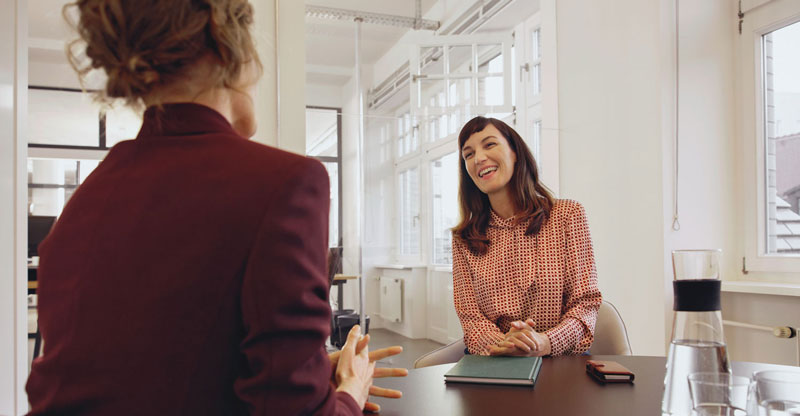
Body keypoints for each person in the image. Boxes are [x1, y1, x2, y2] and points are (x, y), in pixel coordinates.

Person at [26, 0, 405, 414]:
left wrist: (306, 377)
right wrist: (351, 390)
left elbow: (148, 375)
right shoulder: (285, 183)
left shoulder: (85, 202)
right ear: (232, 50)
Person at [452, 116, 602, 357]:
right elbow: (470, 317)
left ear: (515, 153)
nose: (479, 158)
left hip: (560, 361)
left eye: (489, 144)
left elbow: (585, 303)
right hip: (494, 363)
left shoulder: (568, 215)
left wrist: (544, 342)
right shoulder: (464, 238)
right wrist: (505, 345)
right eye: (468, 154)